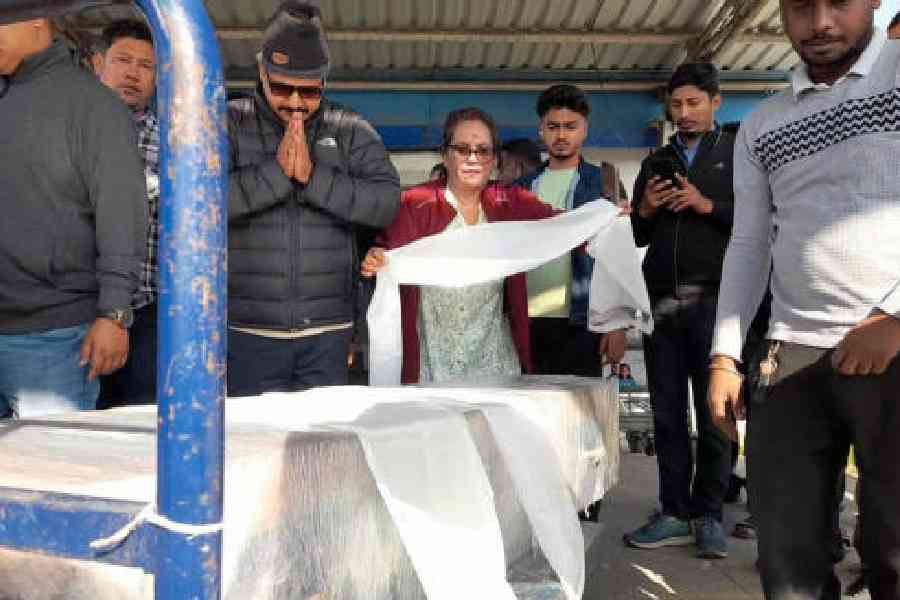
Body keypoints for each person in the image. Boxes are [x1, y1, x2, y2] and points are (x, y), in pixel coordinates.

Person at [707, 0, 900, 597]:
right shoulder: (764, 123)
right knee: (788, 561)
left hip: (892, 353)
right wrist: (723, 356)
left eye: (838, 2)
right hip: (788, 360)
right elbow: (748, 243)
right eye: (799, 6)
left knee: (895, 550)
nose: (819, 22)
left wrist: (896, 319)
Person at [226, 0, 400, 396]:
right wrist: (277, 174)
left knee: (321, 450)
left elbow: (386, 201)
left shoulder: (350, 128)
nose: (295, 103)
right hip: (247, 331)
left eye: (309, 91)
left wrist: (312, 177)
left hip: (329, 333)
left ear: (325, 80)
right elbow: (198, 209)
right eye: (282, 88)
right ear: (261, 72)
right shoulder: (229, 122)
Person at [0, 17, 147, 417]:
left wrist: (115, 314)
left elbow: (122, 215)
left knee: (47, 473)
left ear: (36, 19)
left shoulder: (94, 107)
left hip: (53, 338)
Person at [624, 63, 736, 559]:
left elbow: (758, 222)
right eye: (677, 105)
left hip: (716, 301)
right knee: (667, 412)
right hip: (661, 304)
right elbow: (638, 236)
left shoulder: (737, 155)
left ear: (717, 102)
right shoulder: (657, 160)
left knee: (716, 413)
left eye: (694, 103)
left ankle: (708, 514)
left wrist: (705, 204)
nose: (685, 114)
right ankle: (673, 512)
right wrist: (646, 208)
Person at [361, 107, 557, 384]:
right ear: (445, 154)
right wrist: (377, 258)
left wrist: (605, 217)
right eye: (462, 149)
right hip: (432, 363)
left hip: (495, 359)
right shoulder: (416, 203)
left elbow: (560, 225)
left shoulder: (510, 202)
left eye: (483, 150)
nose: (473, 159)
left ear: (494, 159)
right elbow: (386, 251)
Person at [514, 84, 630, 377]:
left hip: (581, 319)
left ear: (584, 129)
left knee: (577, 417)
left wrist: (617, 323)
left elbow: (619, 255)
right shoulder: (521, 187)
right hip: (525, 320)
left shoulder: (604, 181)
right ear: (541, 129)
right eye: (553, 127)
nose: (561, 135)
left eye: (570, 126)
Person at [92, 19, 160, 408]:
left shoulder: (175, 141)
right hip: (77, 311)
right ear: (97, 64)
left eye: (146, 65)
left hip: (149, 310)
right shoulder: (73, 131)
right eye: (123, 60)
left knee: (141, 427)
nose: (133, 73)